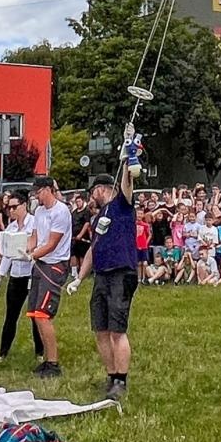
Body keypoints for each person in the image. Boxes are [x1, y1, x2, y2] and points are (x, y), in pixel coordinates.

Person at [70, 139, 140, 402]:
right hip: (101, 274)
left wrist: (125, 159)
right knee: (100, 329)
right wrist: (79, 278)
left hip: (122, 272)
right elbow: (92, 249)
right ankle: (110, 375)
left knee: (117, 330)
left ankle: (121, 379)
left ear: (100, 189)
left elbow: (128, 184)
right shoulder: (98, 217)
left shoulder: (122, 205)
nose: (91, 197)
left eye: (92, 192)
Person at [26, 177, 73, 378]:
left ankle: (53, 362)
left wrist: (33, 254)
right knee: (35, 313)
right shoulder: (39, 211)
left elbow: (53, 242)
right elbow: (36, 236)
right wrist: (28, 247)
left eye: (38, 192)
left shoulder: (61, 211)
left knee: (44, 314)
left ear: (48, 190)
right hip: (40, 263)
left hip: (54, 265)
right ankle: (46, 359)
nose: (36, 196)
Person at [0, 193, 42, 364]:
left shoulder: (35, 223)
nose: (11, 210)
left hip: (32, 273)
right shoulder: (10, 228)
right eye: (9, 207)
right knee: (11, 315)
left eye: (15, 207)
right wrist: (0, 276)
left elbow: (41, 245)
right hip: (16, 275)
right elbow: (7, 255)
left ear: (24, 205)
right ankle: (3, 352)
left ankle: (40, 352)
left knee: (36, 315)